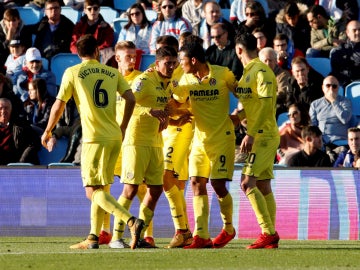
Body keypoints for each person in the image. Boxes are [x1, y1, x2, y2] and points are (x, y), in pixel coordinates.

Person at [40, 34, 144, 250]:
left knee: (91, 191)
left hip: (94, 139)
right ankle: (93, 237)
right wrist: (123, 126)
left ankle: (131, 221)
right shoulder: (113, 72)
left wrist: (48, 130)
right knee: (101, 189)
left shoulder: (73, 72)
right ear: (97, 52)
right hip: (115, 137)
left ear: (78, 54)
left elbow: (59, 105)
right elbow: (131, 98)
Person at [172, 41, 237, 249]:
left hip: (222, 139)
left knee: (218, 185)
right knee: (196, 183)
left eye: (182, 61)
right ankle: (202, 235)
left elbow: (244, 94)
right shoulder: (185, 80)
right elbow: (175, 102)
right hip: (199, 140)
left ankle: (228, 229)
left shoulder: (223, 74)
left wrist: (240, 115)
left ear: (193, 60)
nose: (180, 65)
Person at [117, 46, 177, 248]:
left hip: (155, 141)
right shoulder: (143, 80)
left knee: (156, 189)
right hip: (136, 141)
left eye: (173, 63)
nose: (171, 67)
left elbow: (165, 107)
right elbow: (129, 102)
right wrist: (149, 110)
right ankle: (117, 237)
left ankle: (139, 233)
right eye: (167, 63)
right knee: (131, 188)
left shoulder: (168, 83)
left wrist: (170, 117)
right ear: (157, 62)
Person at [233, 32, 279, 249]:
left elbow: (264, 106)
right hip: (259, 133)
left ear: (238, 49)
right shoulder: (247, 74)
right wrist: (238, 117)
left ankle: (268, 232)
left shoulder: (262, 72)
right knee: (262, 184)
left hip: (264, 135)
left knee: (247, 183)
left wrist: (251, 133)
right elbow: (252, 106)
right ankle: (270, 235)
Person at [309, 75, 353, 163]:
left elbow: (345, 119)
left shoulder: (345, 102)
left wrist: (334, 101)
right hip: (322, 143)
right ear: (323, 88)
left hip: (340, 142)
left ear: (338, 88)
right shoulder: (315, 104)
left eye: (334, 86)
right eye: (328, 86)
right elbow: (312, 126)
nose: (331, 89)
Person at [0, 98, 40, 165]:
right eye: (0, 108)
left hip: (17, 165)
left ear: (11, 110)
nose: (3, 111)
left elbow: (35, 142)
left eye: (6, 108)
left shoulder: (21, 125)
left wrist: (21, 162)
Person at [258, 47, 292, 117]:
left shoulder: (283, 75)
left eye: (270, 60)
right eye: (265, 61)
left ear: (276, 61)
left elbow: (282, 93)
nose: (268, 64)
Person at [0, 8, 32, 74]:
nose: (11, 23)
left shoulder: (25, 31)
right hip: (3, 60)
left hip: (20, 60)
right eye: (8, 21)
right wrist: (8, 39)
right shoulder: (0, 31)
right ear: (4, 21)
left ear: (19, 20)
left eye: (14, 20)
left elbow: (28, 47)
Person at [330, 20, 360, 88]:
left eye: (359, 29)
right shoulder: (339, 51)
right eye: (354, 30)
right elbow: (338, 73)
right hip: (349, 86)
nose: (358, 32)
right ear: (347, 33)